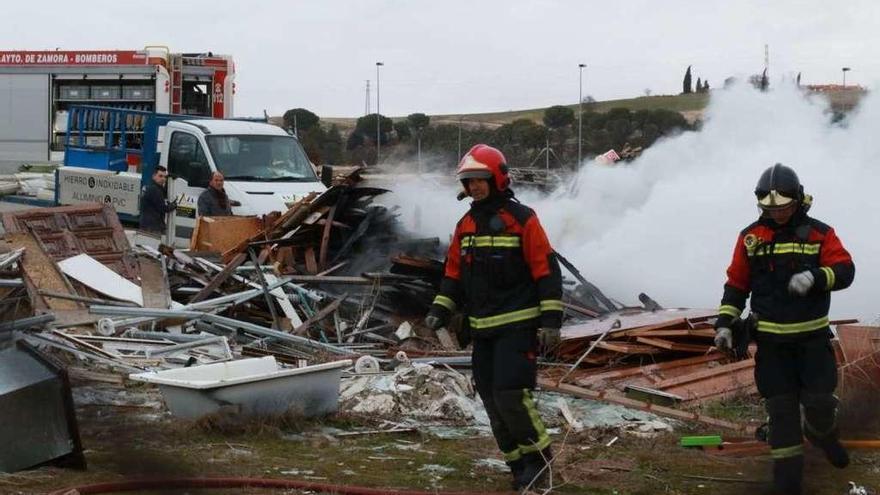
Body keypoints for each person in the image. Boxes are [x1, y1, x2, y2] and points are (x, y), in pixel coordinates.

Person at [424, 144, 563, 490]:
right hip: (482, 330)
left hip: (518, 326)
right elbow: (453, 274)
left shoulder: (523, 219)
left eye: (480, 180)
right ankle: (517, 466)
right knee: (490, 400)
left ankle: (540, 464)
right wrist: (440, 309)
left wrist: (550, 322)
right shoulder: (466, 224)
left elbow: (547, 271)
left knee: (511, 395)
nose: (474, 187)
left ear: (497, 178)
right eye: (469, 182)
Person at [714, 163, 854, 495]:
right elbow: (736, 286)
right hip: (772, 346)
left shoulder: (820, 233)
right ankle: (787, 481)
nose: (777, 214)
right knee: (781, 412)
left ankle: (822, 434)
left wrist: (817, 277)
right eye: (770, 209)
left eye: (784, 208)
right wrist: (724, 325)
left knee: (820, 403)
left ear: (799, 200)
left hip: (812, 342)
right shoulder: (750, 238)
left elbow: (845, 270)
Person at [139, 166, 176, 233]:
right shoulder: (155, 190)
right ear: (154, 176)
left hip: (148, 225)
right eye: (160, 176)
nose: (163, 179)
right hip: (152, 227)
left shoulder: (153, 187)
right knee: (152, 243)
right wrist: (174, 205)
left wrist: (169, 180)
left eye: (165, 177)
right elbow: (163, 208)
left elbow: (163, 192)